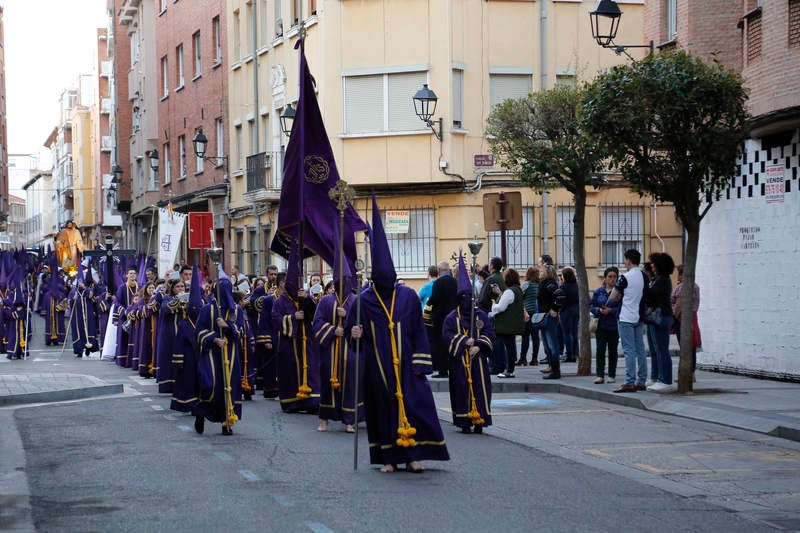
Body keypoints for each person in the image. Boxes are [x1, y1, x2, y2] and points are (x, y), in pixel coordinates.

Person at [347, 195, 449, 473]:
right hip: (377, 366)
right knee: (382, 409)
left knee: (416, 405)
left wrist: (420, 363)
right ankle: (389, 458)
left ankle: (414, 455)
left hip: (406, 366)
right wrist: (354, 333)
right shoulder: (362, 301)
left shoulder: (407, 297)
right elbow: (351, 334)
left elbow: (418, 330)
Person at [443, 254, 494, 434]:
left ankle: (480, 420)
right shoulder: (451, 318)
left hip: (478, 360)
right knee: (461, 388)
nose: (467, 300)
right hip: (460, 362)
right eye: (464, 297)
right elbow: (447, 336)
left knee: (480, 389)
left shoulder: (480, 315)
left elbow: (489, 333)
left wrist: (479, 345)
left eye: (470, 297)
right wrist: (465, 341)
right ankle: (464, 421)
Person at [312, 268, 364, 433]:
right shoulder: (326, 301)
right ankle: (324, 420)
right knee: (327, 383)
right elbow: (317, 322)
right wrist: (333, 330)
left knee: (350, 384)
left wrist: (347, 314)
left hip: (350, 350)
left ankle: (349, 421)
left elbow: (363, 323)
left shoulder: (356, 300)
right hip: (330, 350)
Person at [194, 276, 245, 436]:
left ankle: (226, 422)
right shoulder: (207, 309)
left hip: (231, 352)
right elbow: (198, 332)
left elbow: (241, 331)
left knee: (229, 386)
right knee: (211, 385)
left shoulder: (237, 310)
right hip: (211, 353)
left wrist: (227, 326)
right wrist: (214, 338)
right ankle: (201, 413)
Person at [271, 254, 321, 414]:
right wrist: (293, 318)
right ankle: (292, 402)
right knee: (291, 371)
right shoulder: (280, 301)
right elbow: (276, 320)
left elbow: (314, 315)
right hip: (289, 343)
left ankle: (312, 401)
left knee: (311, 369)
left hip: (307, 343)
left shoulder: (305, 297)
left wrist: (305, 301)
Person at [609, 249, 647, 393]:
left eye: (625, 260)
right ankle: (641, 381)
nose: (625, 262)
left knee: (629, 350)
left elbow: (614, 295)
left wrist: (609, 303)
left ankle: (629, 382)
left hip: (625, 317)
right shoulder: (644, 276)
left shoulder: (625, 277)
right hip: (638, 315)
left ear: (629, 260)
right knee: (640, 349)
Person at [644, 252, 675, 392]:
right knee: (656, 349)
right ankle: (656, 376)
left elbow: (652, 295)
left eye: (654, 263)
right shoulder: (659, 279)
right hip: (656, 317)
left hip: (661, 316)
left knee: (662, 349)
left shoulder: (662, 280)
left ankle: (666, 380)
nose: (652, 266)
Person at [426, 261, 459, 378]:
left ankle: (442, 370)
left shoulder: (438, 282)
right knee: (452, 341)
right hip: (454, 316)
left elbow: (434, 299)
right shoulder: (455, 281)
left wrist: (429, 302)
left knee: (439, 343)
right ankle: (453, 367)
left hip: (440, 318)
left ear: (439, 271)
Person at [490, 268, 524, 378]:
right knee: (510, 346)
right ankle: (510, 369)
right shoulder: (517, 289)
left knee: (506, 346)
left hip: (506, 324)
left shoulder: (510, 291)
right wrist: (500, 293)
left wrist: (493, 304)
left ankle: (508, 370)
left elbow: (501, 307)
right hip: (512, 323)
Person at [589, 267, 620, 384]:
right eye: (610, 276)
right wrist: (599, 310)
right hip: (601, 325)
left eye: (614, 277)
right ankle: (600, 375)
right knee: (600, 350)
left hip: (614, 326)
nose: (612, 279)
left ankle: (612, 375)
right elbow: (591, 306)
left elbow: (621, 308)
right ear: (605, 278)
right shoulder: (598, 291)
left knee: (613, 350)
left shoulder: (619, 293)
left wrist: (611, 310)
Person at [671, 265, 701, 382]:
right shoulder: (696, 287)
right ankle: (691, 373)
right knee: (691, 346)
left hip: (682, 318)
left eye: (679, 274)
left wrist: (674, 317)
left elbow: (678, 305)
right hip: (693, 316)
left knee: (684, 346)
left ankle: (686, 374)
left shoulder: (682, 287)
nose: (678, 276)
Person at [538, 264, 562, 379]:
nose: (539, 273)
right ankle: (552, 367)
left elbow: (561, 296)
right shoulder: (544, 283)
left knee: (552, 344)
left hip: (549, 317)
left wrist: (555, 309)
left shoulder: (550, 284)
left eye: (541, 271)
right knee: (547, 344)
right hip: (544, 316)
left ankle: (556, 371)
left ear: (547, 273)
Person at [70, 269, 99, 358]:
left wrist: (85, 288)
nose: (80, 284)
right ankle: (79, 350)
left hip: (88, 315)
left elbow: (91, 296)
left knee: (89, 330)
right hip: (77, 316)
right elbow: (70, 304)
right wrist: (73, 300)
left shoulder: (88, 290)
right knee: (79, 332)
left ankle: (89, 348)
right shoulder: (73, 292)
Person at [114, 268, 139, 367]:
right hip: (124, 317)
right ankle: (123, 361)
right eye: (130, 273)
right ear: (127, 275)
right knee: (124, 339)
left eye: (134, 273)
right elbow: (117, 302)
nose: (132, 275)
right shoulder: (122, 288)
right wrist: (124, 311)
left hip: (137, 317)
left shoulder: (140, 287)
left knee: (135, 339)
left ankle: (134, 361)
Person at [517, 267, 540, 366]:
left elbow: (519, 297)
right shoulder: (538, 285)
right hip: (536, 313)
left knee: (525, 336)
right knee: (535, 337)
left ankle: (523, 359)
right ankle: (534, 359)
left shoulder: (526, 284)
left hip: (527, 313)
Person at [558, 266, 580, 363]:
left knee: (567, 334)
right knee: (574, 333)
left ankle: (569, 355)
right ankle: (575, 354)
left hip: (566, 311)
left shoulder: (564, 286)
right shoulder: (576, 285)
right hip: (576, 310)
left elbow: (561, 300)